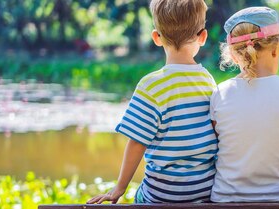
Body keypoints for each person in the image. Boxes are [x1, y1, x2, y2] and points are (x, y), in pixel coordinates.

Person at [87, 0, 217, 203]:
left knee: (141, 193)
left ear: (157, 37)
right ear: (203, 36)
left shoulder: (151, 85)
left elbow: (137, 142)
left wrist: (119, 188)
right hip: (204, 191)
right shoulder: (208, 81)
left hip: (161, 195)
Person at [209, 7, 279, 203]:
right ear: (277, 48)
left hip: (226, 200)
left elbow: (216, 146)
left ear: (234, 56)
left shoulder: (220, 93)